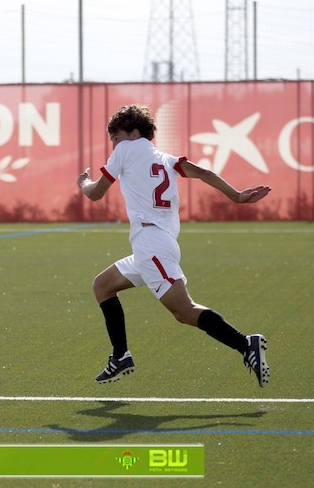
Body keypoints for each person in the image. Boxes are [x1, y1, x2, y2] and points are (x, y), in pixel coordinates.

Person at [76, 104, 271, 387]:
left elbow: (95, 194)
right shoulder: (165, 159)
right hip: (155, 244)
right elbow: (203, 172)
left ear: (133, 133)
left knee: (184, 311)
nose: (114, 145)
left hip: (151, 245)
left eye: (116, 138)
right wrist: (237, 196)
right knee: (103, 286)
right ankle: (120, 356)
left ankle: (245, 344)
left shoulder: (126, 150)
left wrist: (83, 182)